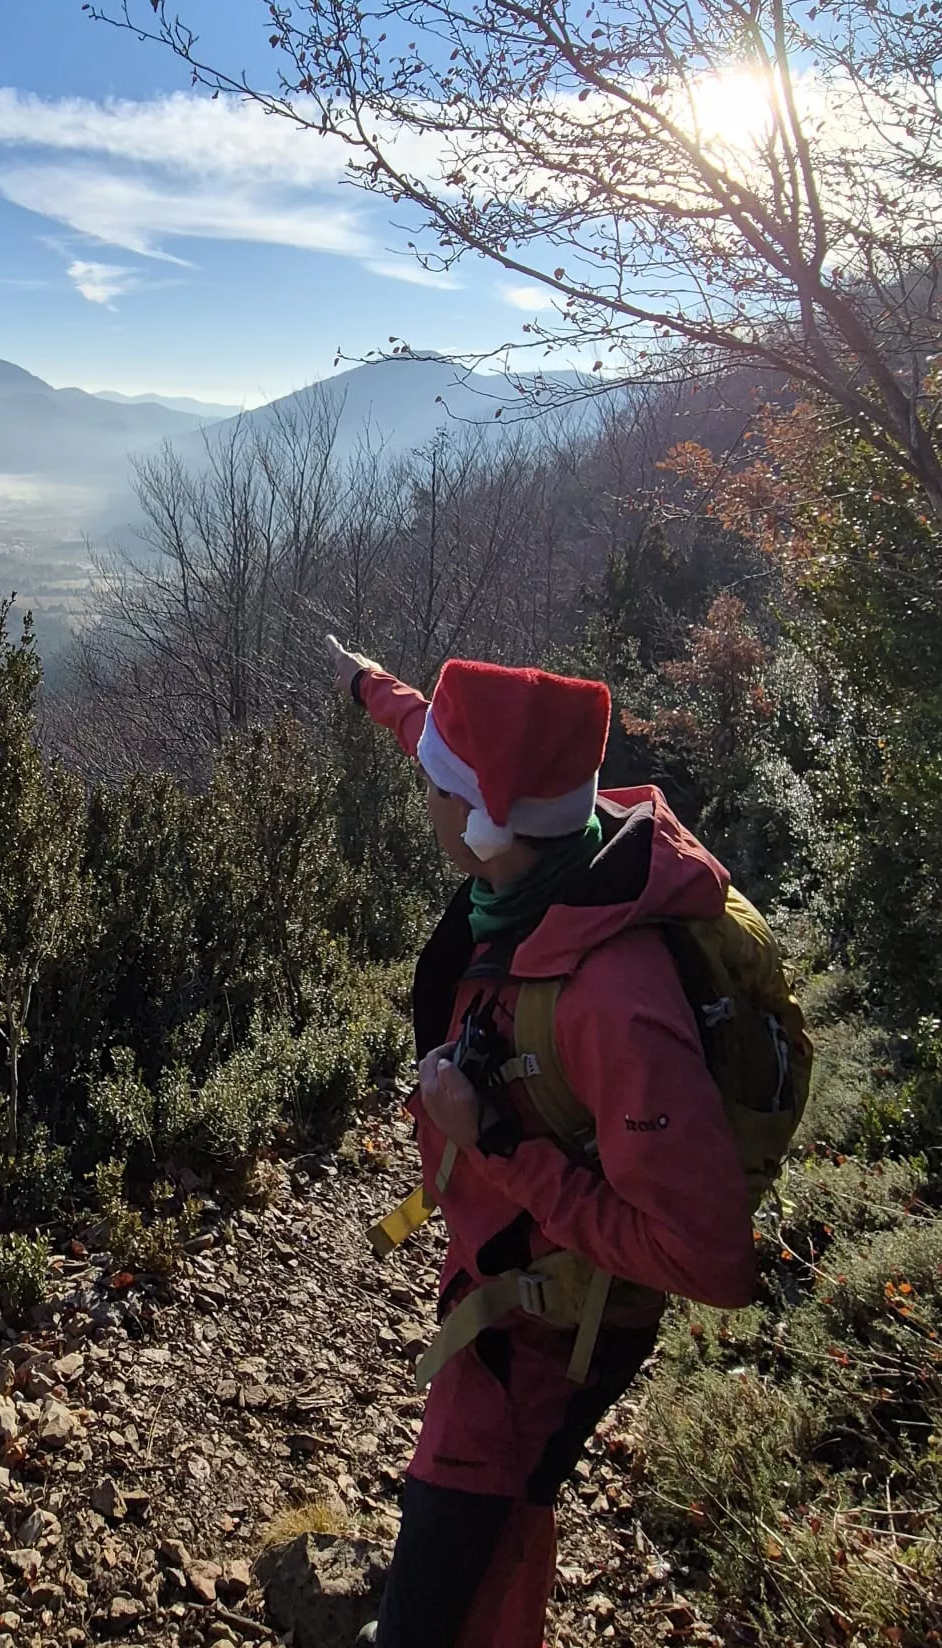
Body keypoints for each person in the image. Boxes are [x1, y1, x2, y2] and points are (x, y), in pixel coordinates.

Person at [325, 637, 757, 1648]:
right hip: (508, 1284)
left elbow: (712, 1258)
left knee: (438, 1581)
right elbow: (444, 739)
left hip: (540, 1340)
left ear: (484, 821)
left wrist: (499, 1145)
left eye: (437, 787)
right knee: (507, 1524)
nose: (422, 794)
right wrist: (366, 684)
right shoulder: (553, 850)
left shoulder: (611, 1000)